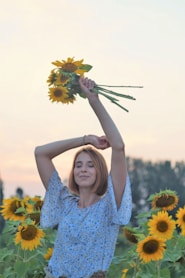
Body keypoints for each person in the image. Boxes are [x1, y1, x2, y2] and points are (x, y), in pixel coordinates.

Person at [34, 77, 132, 278]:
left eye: (90, 165)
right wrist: (85, 139)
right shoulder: (65, 203)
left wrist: (94, 101)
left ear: (100, 172)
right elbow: (40, 153)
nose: (83, 170)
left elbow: (119, 147)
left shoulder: (110, 207)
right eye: (78, 165)